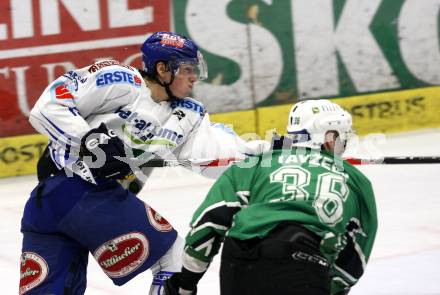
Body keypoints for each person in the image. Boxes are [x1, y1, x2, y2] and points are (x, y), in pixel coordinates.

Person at [19, 31, 269, 295]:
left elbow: (225, 154)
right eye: (186, 69)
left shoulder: (184, 116)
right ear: (162, 68)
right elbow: (48, 106)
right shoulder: (120, 79)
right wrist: (88, 140)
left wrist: (279, 151)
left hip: (51, 205)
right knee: (171, 260)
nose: (194, 77)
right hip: (78, 193)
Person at [164, 99, 378, 295]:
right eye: (342, 136)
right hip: (303, 262)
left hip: (238, 258)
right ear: (329, 138)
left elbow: (209, 222)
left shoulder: (255, 164)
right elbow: (354, 258)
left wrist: (186, 284)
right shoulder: (356, 181)